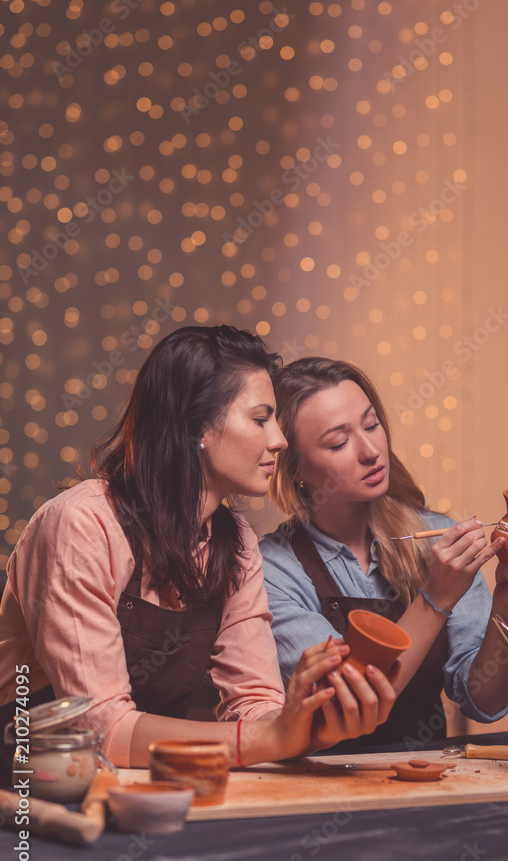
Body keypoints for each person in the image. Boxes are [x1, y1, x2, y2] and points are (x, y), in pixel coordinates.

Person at [0, 328, 395, 780]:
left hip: (140, 778)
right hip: (26, 777)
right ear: (196, 428)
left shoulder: (237, 542)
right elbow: (99, 728)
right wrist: (273, 737)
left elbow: (254, 703)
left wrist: (311, 724)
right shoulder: (83, 524)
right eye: (261, 418)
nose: (280, 440)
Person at [259, 358, 508, 748]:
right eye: (338, 442)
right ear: (294, 467)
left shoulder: (435, 541)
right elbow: (350, 703)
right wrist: (435, 599)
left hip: (427, 779)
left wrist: (505, 600)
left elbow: (484, 702)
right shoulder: (272, 569)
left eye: (371, 425)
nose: (370, 450)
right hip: (326, 784)